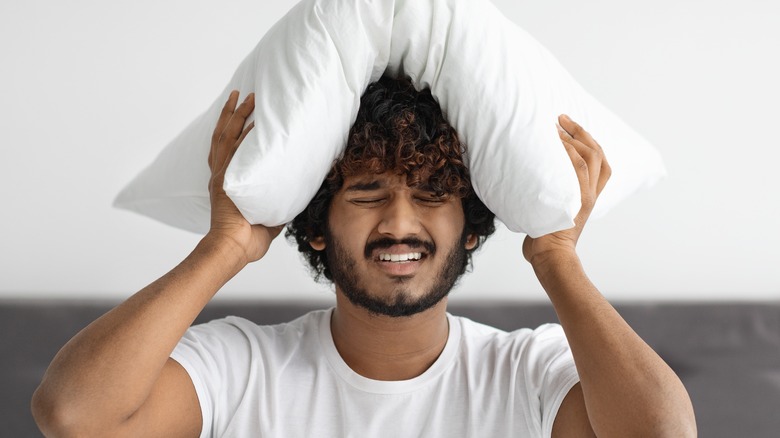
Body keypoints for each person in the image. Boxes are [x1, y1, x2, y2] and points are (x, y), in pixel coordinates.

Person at [31, 76, 696, 437]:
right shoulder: (239, 367)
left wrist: (556, 255)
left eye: (433, 195)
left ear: (471, 226)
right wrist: (225, 245)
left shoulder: (529, 372)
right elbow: (74, 417)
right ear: (317, 226)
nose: (400, 223)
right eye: (369, 192)